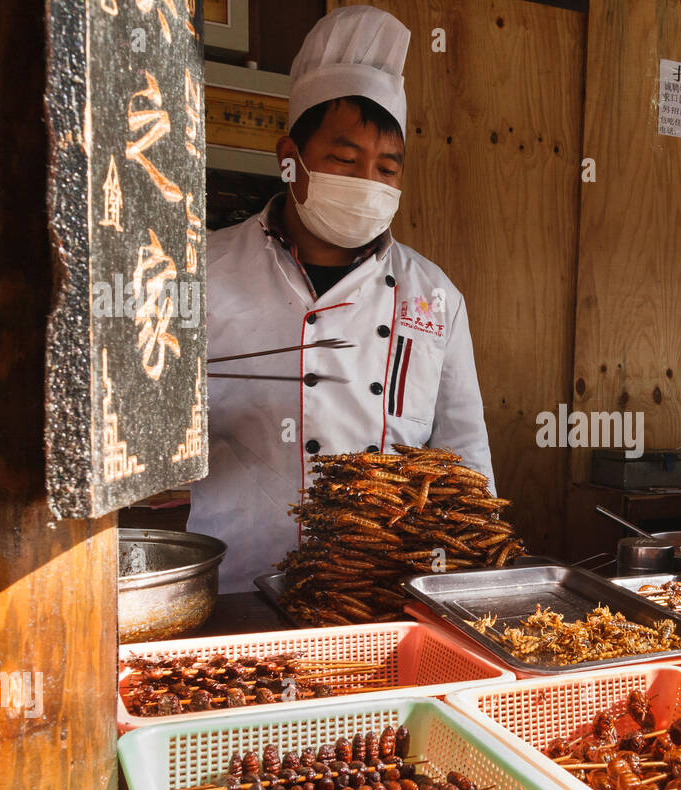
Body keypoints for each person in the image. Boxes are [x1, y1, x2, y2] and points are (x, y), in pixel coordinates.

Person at [188, 6, 493, 592]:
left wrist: (469, 579)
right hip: (236, 586)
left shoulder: (433, 296)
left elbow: (465, 456)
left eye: (386, 168)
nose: (367, 183)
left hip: (386, 593)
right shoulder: (201, 272)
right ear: (289, 157)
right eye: (344, 160)